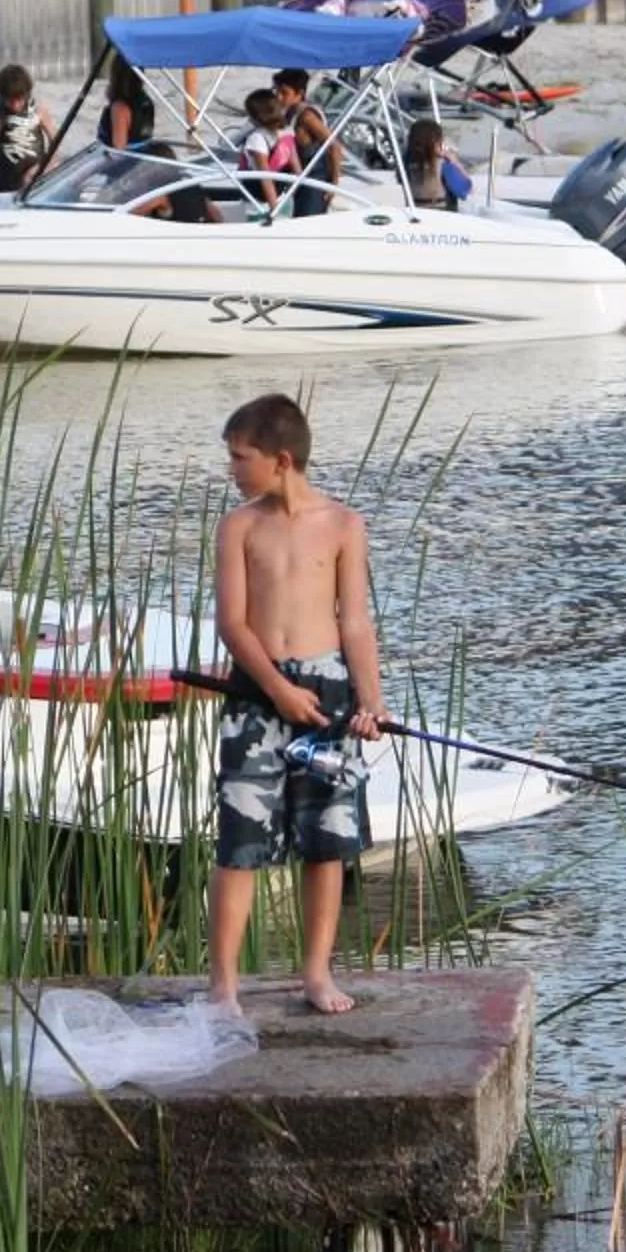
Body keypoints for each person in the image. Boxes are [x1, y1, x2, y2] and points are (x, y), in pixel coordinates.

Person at [206, 393, 387, 1018]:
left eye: (240, 457)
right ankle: (224, 985)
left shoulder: (343, 526)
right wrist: (277, 689)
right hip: (258, 692)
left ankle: (316, 972)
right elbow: (232, 623)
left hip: (327, 690)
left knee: (327, 836)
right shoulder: (239, 526)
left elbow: (356, 623)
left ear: (281, 459)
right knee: (241, 837)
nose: (232, 468)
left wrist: (371, 702)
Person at [269, 68, 340, 216]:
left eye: (284, 93)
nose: (278, 97)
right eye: (276, 91)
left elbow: (334, 147)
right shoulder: (288, 114)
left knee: (308, 223)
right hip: (298, 179)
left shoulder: (307, 117)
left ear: (300, 94)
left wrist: (334, 184)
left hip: (314, 181)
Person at [0, 63, 55, 193]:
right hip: (7, 185)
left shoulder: (39, 110)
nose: (15, 105)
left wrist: (40, 169)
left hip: (38, 183)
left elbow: (56, 145)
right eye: (10, 100)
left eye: (19, 100)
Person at [237, 87, 297, 207]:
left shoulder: (257, 139)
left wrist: (273, 208)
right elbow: (296, 167)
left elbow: (265, 177)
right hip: (284, 196)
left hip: (259, 201)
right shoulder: (286, 131)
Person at [403, 118, 471, 212]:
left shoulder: (406, 162)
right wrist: (455, 162)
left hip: (416, 209)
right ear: (436, 142)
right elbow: (464, 190)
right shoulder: (443, 164)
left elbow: (400, 179)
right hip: (442, 213)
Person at [98, 51, 158, 151]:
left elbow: (119, 151)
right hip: (142, 156)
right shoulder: (146, 101)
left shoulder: (120, 109)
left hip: (126, 162)